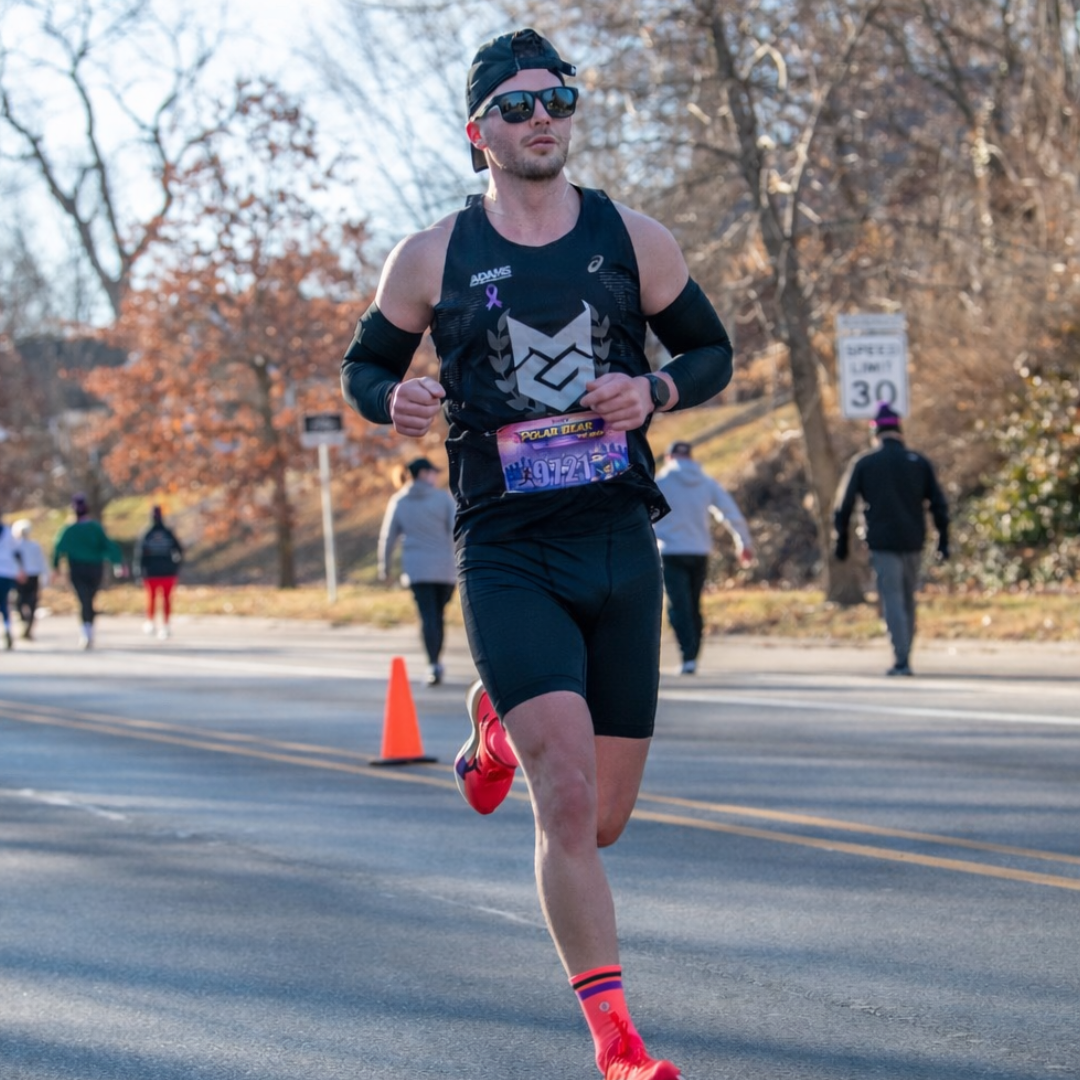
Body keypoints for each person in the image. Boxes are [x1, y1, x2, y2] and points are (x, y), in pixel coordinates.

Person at [341, 27, 733, 1080]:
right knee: (563, 800)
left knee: (600, 820)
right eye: (517, 106)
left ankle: (495, 728)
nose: (542, 117)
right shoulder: (431, 256)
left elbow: (712, 351)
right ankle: (617, 1044)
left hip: (617, 540)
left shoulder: (632, 238)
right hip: (507, 549)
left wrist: (654, 389)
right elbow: (364, 367)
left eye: (558, 98)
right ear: (479, 132)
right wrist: (395, 398)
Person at [833, 402, 949, 676]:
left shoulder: (865, 462)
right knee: (908, 597)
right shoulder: (918, 462)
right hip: (913, 541)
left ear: (875, 432)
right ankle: (905, 653)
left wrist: (841, 541)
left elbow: (843, 506)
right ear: (899, 431)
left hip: (882, 543)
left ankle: (901, 659)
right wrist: (943, 540)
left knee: (893, 598)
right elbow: (939, 505)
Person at [654, 441, 753, 674]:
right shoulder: (706, 482)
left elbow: (644, 517)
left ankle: (687, 655)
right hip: (699, 552)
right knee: (694, 603)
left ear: (668, 458)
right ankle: (693, 655)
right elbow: (730, 512)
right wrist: (744, 542)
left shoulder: (660, 482)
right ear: (690, 457)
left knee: (678, 605)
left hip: (670, 552)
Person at [377, 457, 457, 685]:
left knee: (428, 615)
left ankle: (433, 663)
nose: (436, 476)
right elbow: (456, 531)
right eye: (433, 472)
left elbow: (388, 537)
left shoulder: (399, 501)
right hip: (445, 569)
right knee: (437, 615)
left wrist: (384, 567)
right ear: (423, 473)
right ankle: (435, 661)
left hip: (417, 570)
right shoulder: (443, 498)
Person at [52, 492, 124, 650]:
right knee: (88, 599)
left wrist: (56, 567)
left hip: (78, 568)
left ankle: (87, 630)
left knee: (84, 600)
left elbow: (58, 548)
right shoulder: (94, 528)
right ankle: (88, 630)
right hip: (94, 568)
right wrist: (116, 563)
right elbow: (108, 545)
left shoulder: (69, 529)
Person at [135, 505, 184, 640]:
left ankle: (151, 622)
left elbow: (140, 555)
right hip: (168, 572)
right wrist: (175, 565)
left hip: (151, 572)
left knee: (151, 598)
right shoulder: (168, 533)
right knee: (166, 599)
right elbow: (179, 550)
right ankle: (165, 626)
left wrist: (139, 571)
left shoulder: (147, 533)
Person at [11, 519, 49, 640]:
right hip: (26, 576)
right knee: (26, 602)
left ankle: (26, 624)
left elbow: (41, 562)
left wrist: (45, 576)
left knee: (23, 601)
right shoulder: (18, 546)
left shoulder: (30, 545)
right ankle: (26, 623)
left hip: (27, 576)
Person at [0, 514, 26, 651]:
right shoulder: (8, 532)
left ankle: (7, 629)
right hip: (7, 572)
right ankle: (7, 627)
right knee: (4, 602)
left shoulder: (8, 532)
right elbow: (17, 553)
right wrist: (21, 569)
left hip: (5, 572)